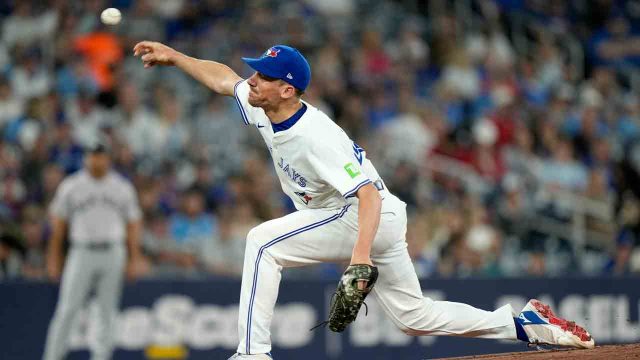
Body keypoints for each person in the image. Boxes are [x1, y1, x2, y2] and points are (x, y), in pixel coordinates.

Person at [133, 41, 594, 359]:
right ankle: (525, 323)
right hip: (368, 217)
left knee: (262, 243)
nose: (253, 80)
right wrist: (175, 56)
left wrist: (359, 260)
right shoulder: (262, 105)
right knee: (414, 317)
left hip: (362, 213)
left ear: (288, 89)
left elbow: (368, 195)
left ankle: (253, 354)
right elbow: (223, 79)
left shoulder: (315, 135)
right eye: (257, 71)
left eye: (265, 76)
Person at [43, 139, 143, 360]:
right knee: (68, 308)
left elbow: (133, 224)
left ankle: (101, 357)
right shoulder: (72, 186)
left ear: (108, 158)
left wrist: (134, 258)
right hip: (81, 251)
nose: (97, 159)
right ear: (86, 158)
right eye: (93, 155)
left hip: (113, 251)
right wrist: (53, 259)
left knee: (107, 311)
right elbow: (57, 227)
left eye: (101, 155)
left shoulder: (121, 186)